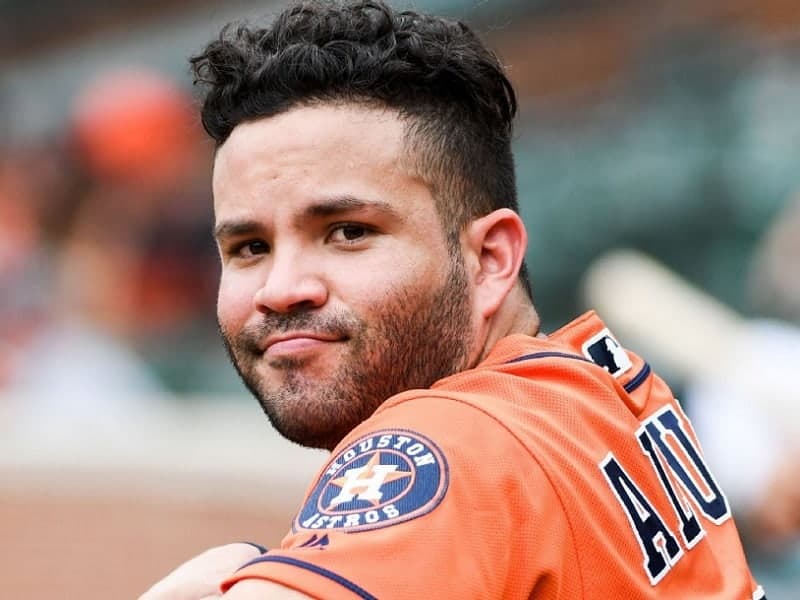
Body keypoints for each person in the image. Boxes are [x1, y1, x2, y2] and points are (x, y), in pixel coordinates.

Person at [141, 1, 764, 598]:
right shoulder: (601, 390)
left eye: (349, 232)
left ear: (490, 259)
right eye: (250, 247)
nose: (281, 289)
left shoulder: (448, 443)